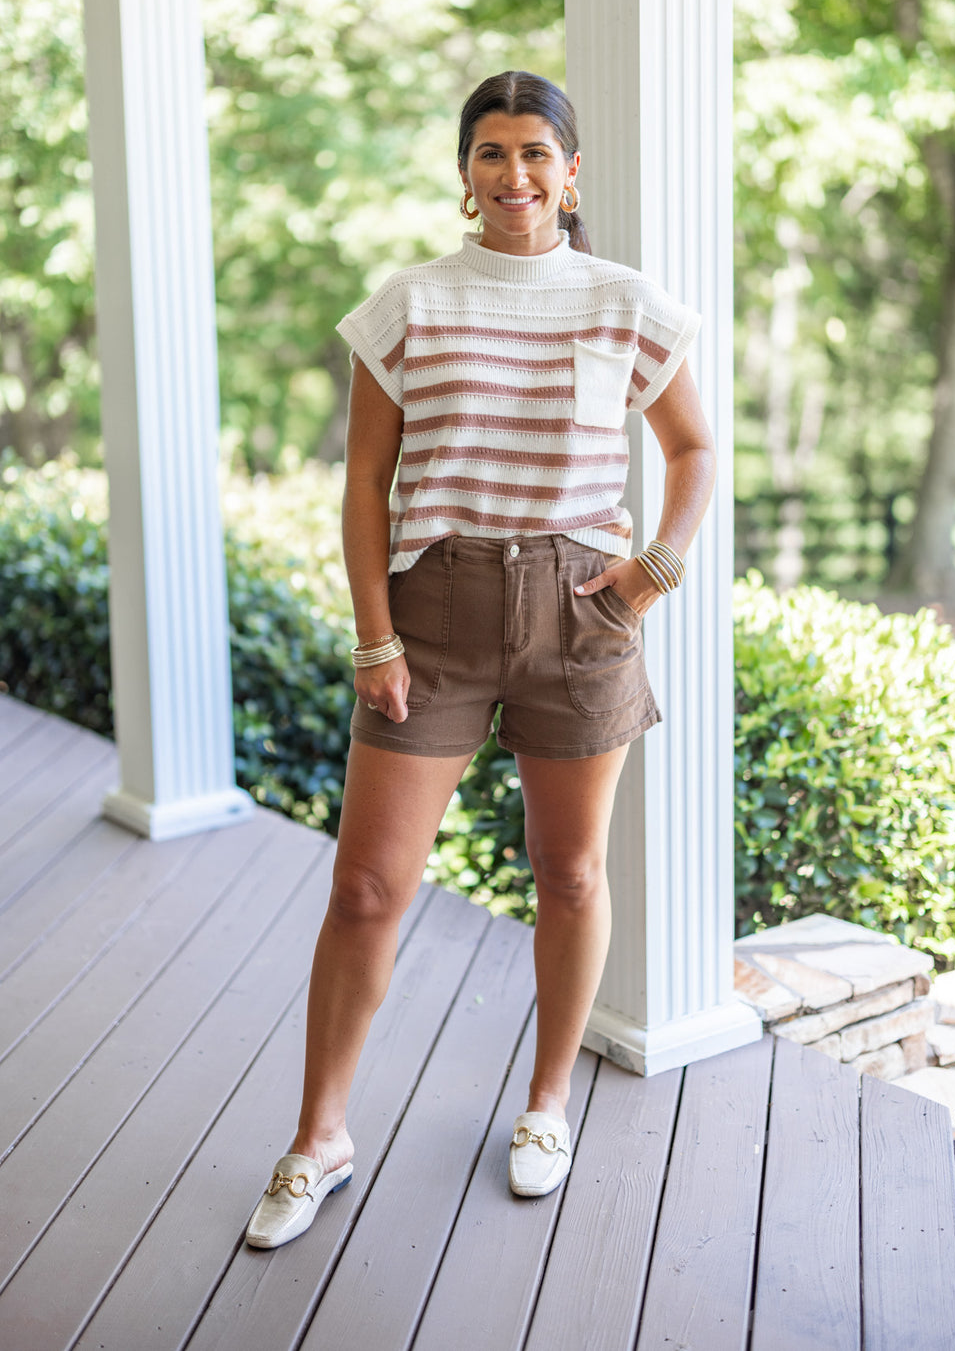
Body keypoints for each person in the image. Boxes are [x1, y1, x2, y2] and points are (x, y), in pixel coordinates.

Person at [245, 70, 716, 1248]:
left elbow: (696, 448)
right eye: (492, 152)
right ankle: (318, 1136)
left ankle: (547, 1105)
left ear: (571, 172)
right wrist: (374, 633)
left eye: (536, 153)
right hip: (434, 613)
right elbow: (366, 478)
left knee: (570, 872)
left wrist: (655, 569)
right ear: (465, 173)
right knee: (367, 886)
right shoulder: (409, 303)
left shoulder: (622, 300)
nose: (515, 174)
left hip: (581, 612)